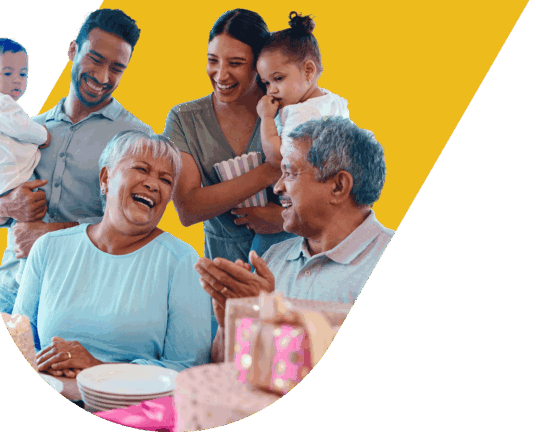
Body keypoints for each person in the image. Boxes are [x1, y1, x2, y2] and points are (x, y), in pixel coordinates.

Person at [0, 9, 153, 314]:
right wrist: (4, 206)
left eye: (117, 68)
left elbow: (140, 229)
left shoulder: (137, 139)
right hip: (11, 293)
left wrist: (55, 233)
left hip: (79, 301)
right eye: (95, 59)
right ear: (73, 49)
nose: (103, 77)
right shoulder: (28, 127)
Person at [194, 116, 395, 362]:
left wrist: (272, 316)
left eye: (289, 173)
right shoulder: (273, 258)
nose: (277, 187)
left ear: (339, 186)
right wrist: (230, 324)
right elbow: (224, 371)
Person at [13, 131, 211, 376]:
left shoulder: (182, 261)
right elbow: (20, 342)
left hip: (132, 410)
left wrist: (98, 369)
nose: (153, 184)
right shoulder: (48, 247)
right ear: (106, 178)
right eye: (141, 169)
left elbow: (187, 369)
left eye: (166, 180)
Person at [163, 8, 296, 267]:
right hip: (223, 268)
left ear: (259, 64)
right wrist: (269, 171)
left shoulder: (290, 111)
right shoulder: (184, 119)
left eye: (235, 63)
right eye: (213, 60)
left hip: (291, 264)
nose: (221, 75)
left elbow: (328, 193)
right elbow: (188, 209)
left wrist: (284, 218)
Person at [256, 12, 350, 170]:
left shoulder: (302, 113)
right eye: (266, 83)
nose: (271, 90)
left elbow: (279, 158)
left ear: (308, 71)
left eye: (278, 78)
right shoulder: (333, 100)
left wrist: (266, 117)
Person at [0, 37, 51, 200]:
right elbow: (23, 127)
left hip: (2, 181)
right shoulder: (0, 104)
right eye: (8, 73)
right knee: (32, 207)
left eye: (23, 74)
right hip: (11, 180)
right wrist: (44, 135)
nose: (17, 80)